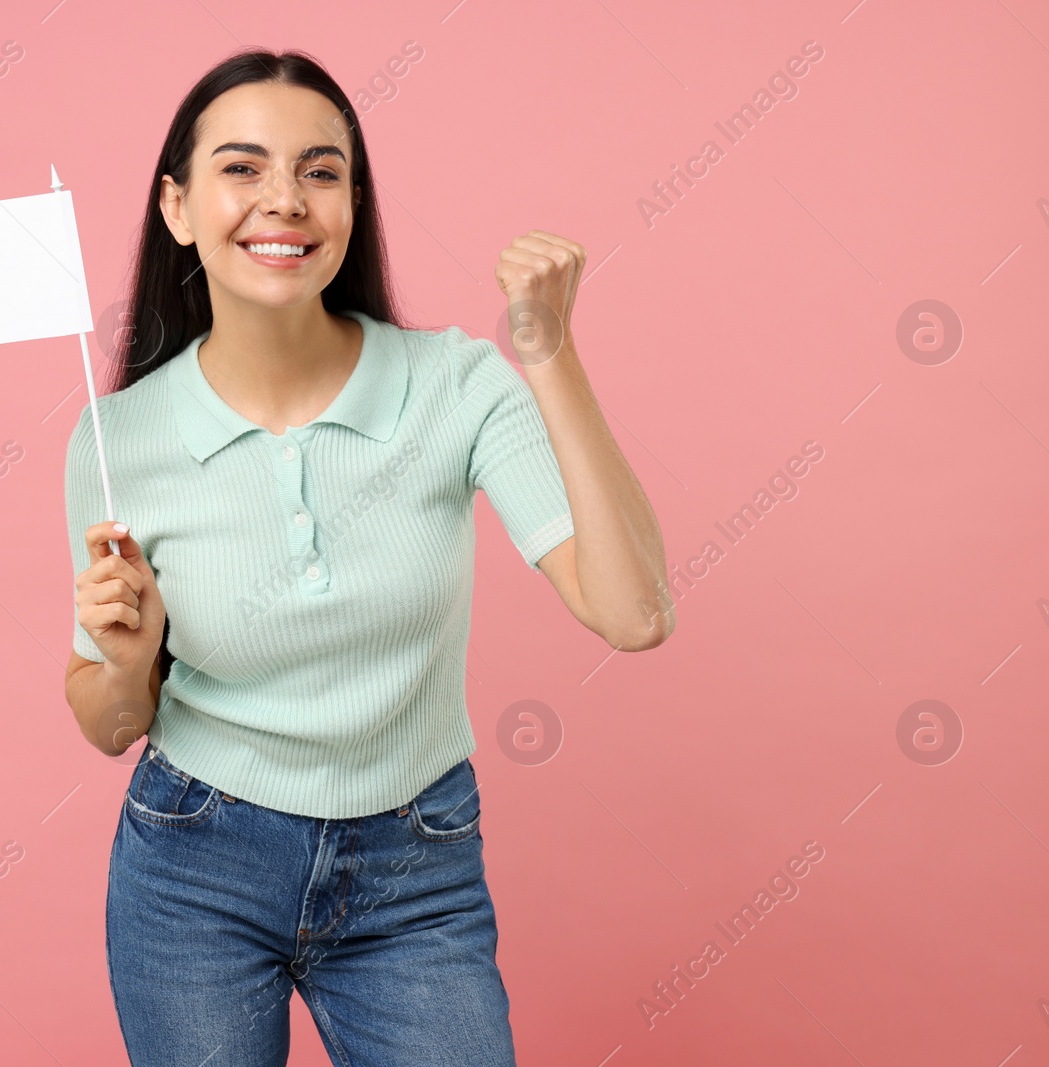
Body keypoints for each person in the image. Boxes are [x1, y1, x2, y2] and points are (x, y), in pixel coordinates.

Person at [64, 47, 672, 1067]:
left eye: (319, 170)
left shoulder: (456, 386)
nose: (283, 201)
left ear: (351, 203)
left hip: (413, 866)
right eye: (242, 168)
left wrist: (549, 353)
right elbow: (106, 721)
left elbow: (633, 613)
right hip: (193, 865)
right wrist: (129, 657)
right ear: (177, 206)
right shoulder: (116, 437)